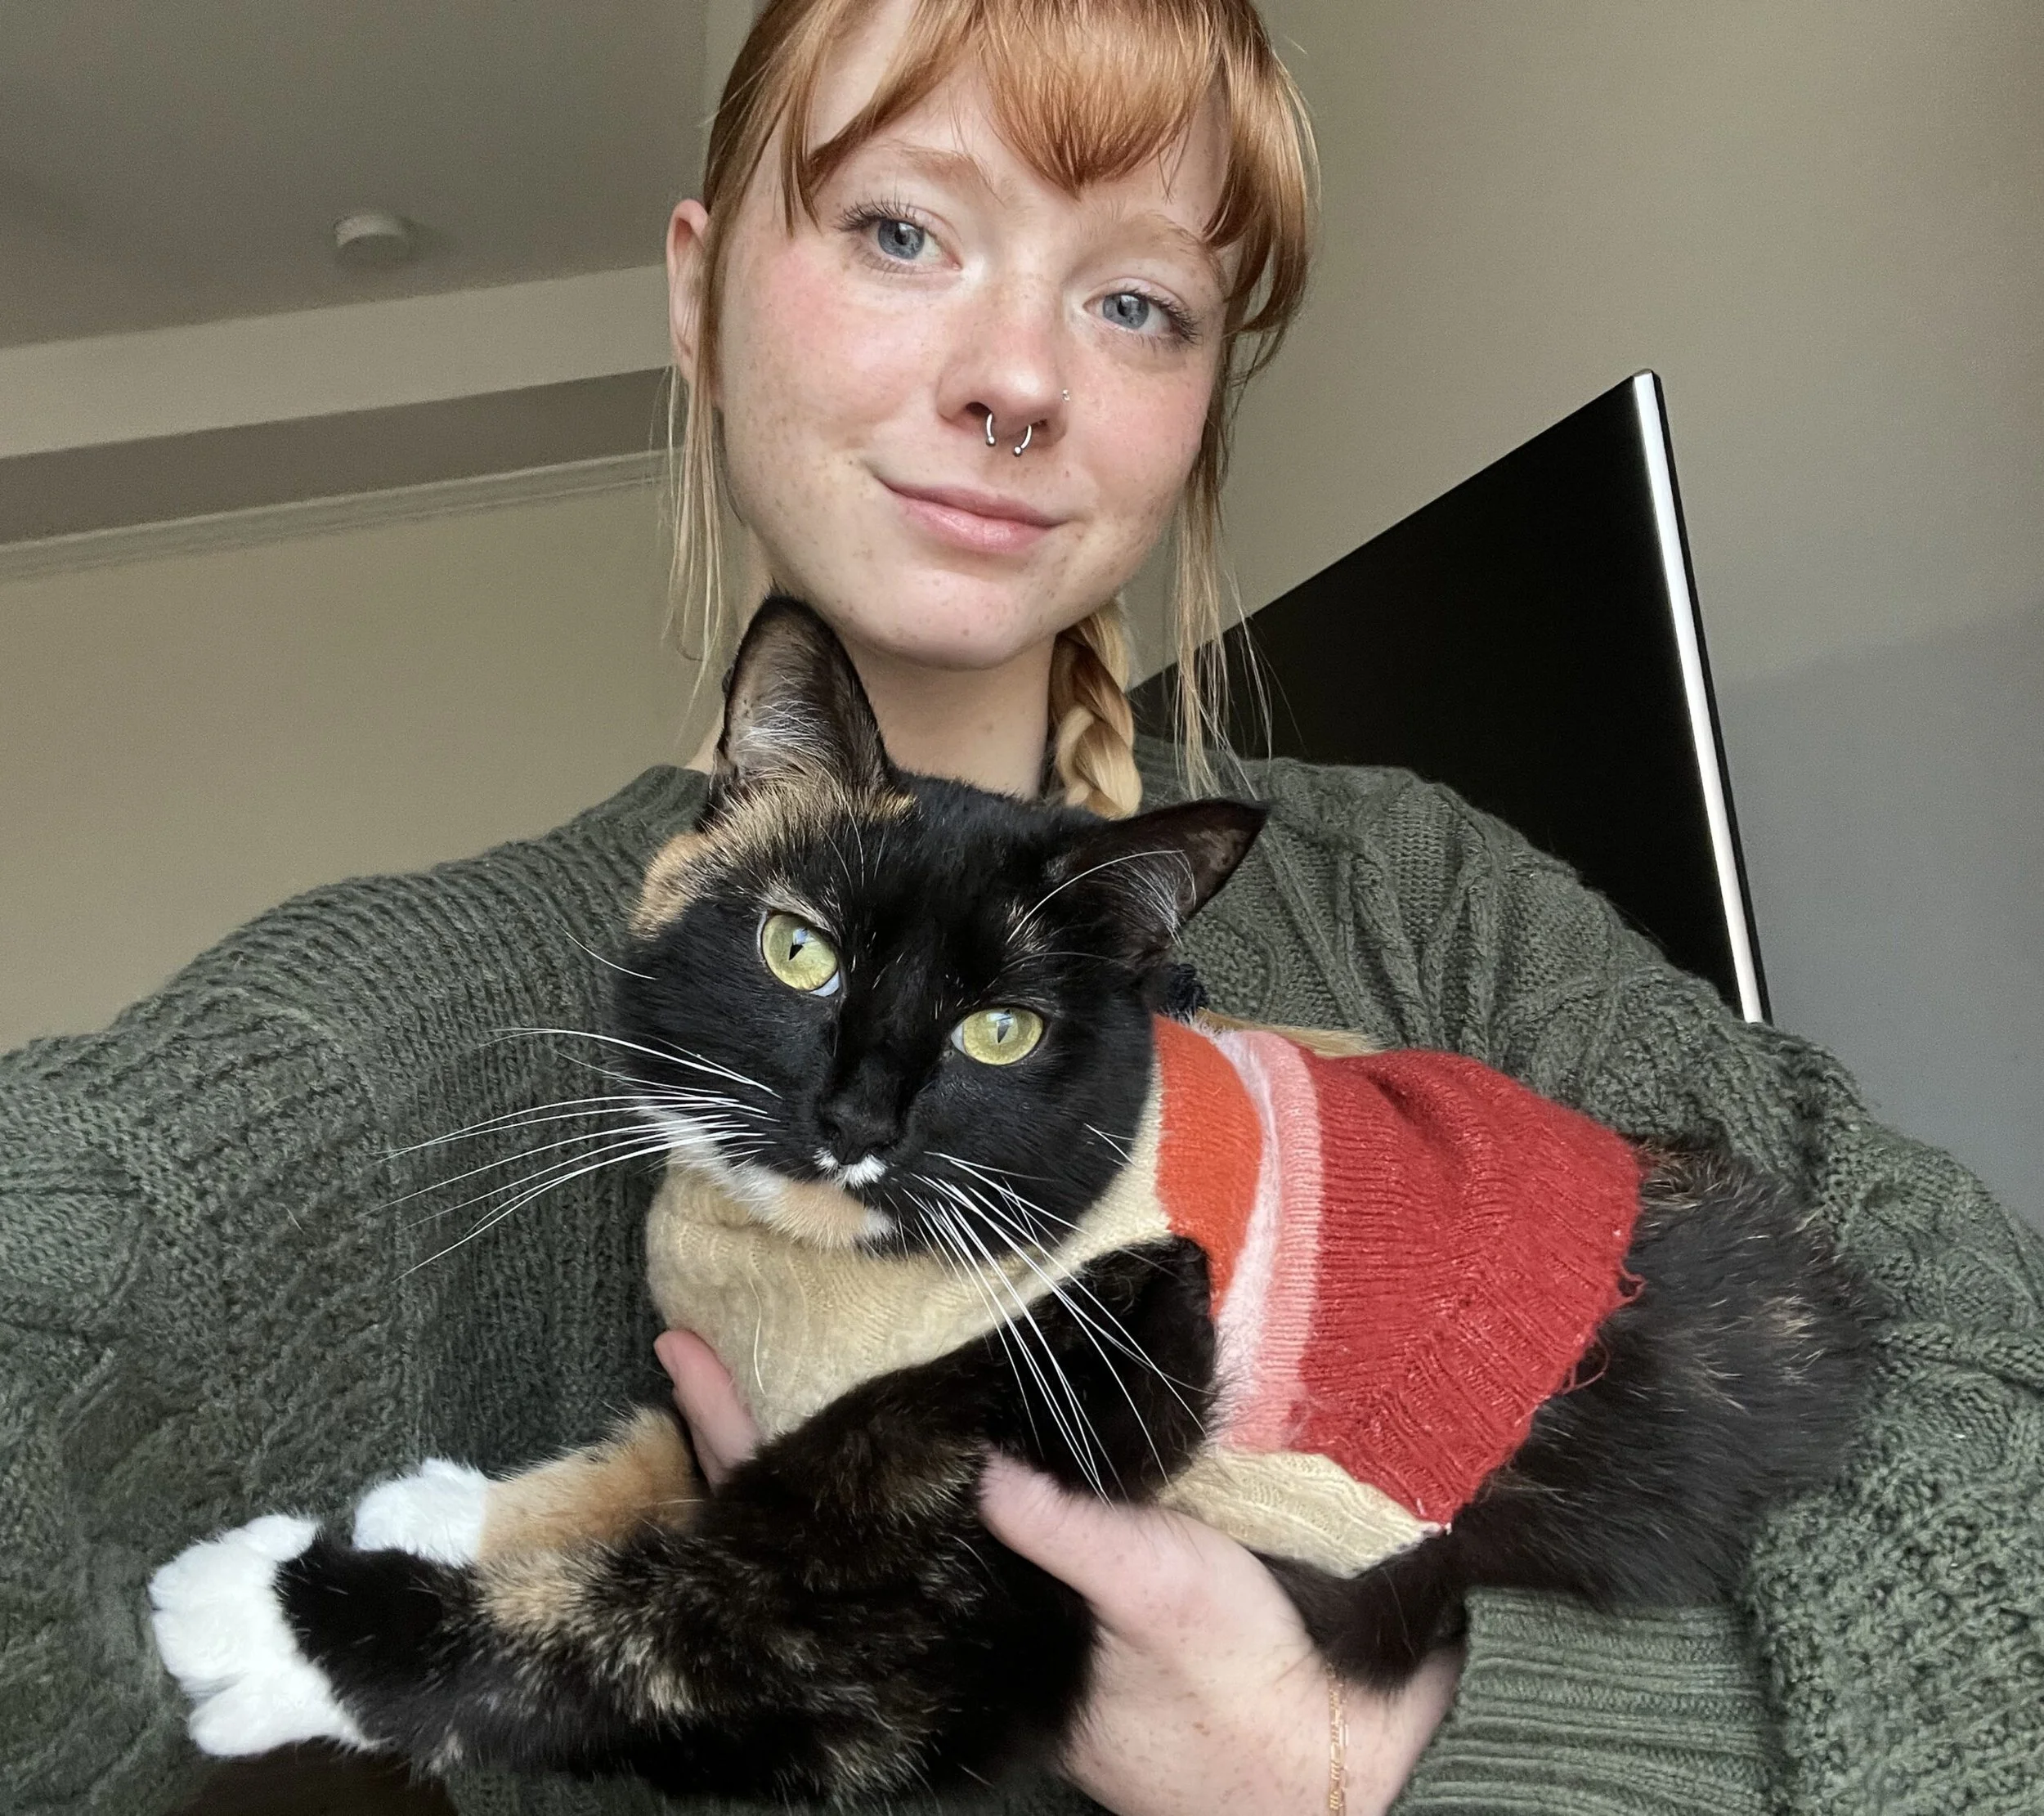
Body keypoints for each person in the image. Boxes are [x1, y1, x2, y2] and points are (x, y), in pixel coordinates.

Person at [2, 1, 2039, 1813]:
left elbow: (1980, 1414)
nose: (1016, 380)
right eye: (901, 229)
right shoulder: (455, 1011)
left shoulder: (1421, 896)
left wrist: (1388, 1760)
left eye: (1135, 304)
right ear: (700, 296)